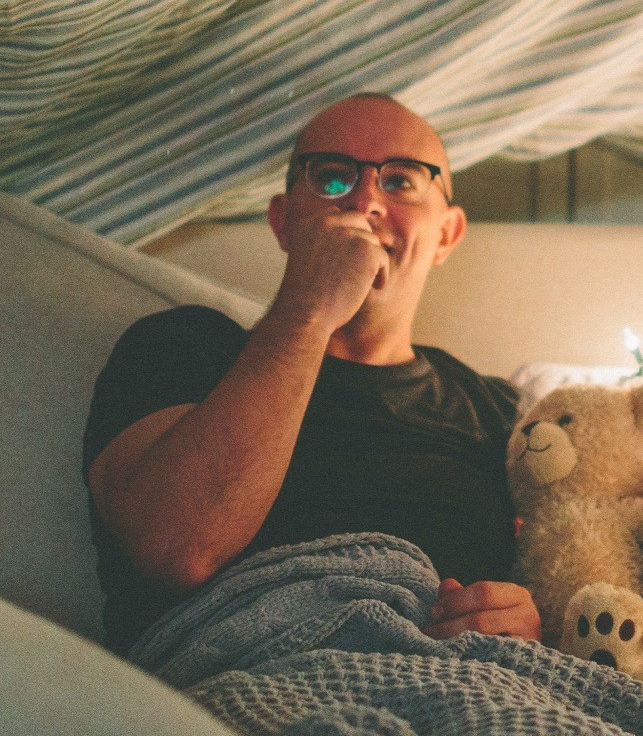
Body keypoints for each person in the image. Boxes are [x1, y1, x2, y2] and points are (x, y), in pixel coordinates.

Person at [84, 91, 543, 657]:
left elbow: (558, 579)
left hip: (473, 689)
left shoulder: (497, 411)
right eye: (331, 177)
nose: (365, 199)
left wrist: (528, 621)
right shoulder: (183, 347)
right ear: (283, 222)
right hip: (246, 688)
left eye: (400, 181)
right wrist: (309, 310)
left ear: (447, 234)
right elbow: (179, 545)